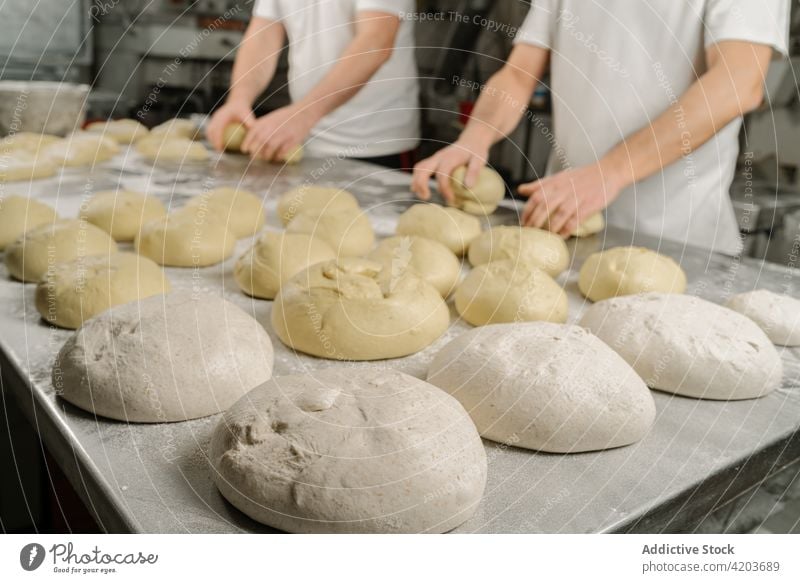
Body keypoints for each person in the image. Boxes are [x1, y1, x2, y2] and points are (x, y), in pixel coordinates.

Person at [412, 1, 789, 254]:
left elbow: (738, 83)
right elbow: (518, 72)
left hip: (676, 241)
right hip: (563, 225)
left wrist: (610, 172)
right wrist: (475, 137)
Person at [207, 0, 419, 168]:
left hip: (374, 146)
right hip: (302, 141)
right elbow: (264, 33)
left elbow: (375, 42)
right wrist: (239, 99)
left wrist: (304, 115)